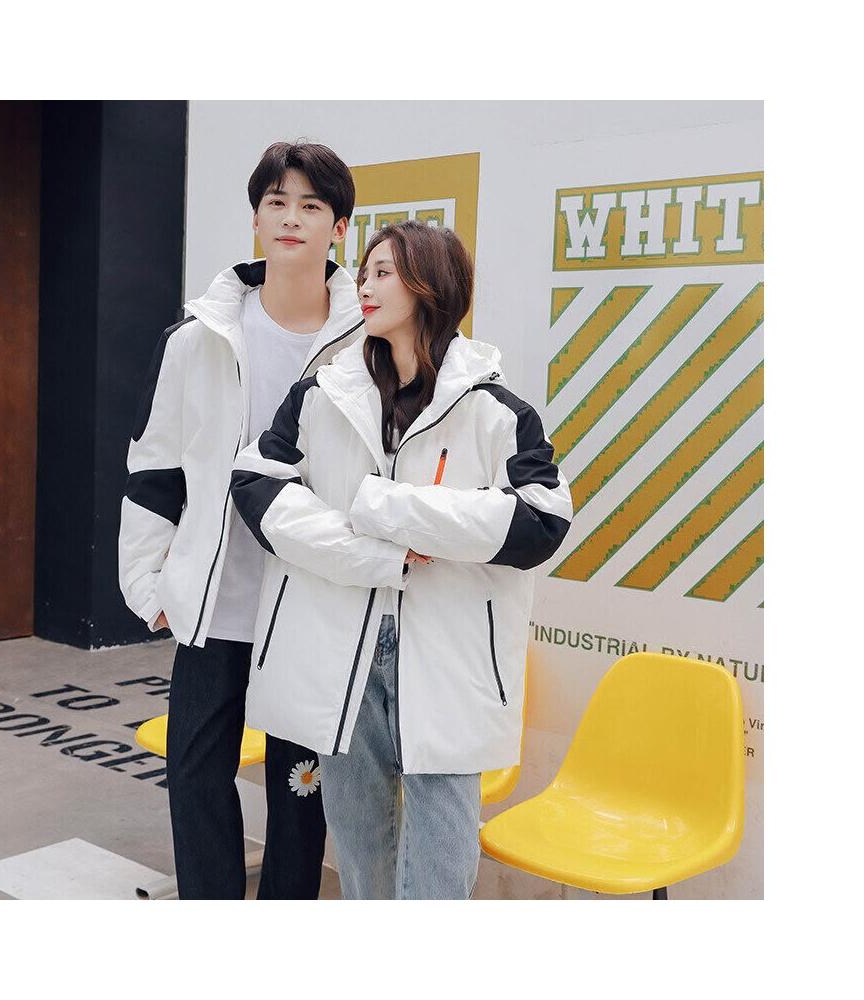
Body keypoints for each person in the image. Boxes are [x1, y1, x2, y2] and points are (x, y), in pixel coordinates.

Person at [230, 220, 573, 899]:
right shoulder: (322, 394)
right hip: (342, 652)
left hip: (450, 657)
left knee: (442, 859)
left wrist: (388, 506)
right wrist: (371, 553)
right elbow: (256, 486)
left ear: (429, 285)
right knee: (360, 849)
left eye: (384, 272)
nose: (364, 284)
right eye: (365, 271)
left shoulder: (495, 410)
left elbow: (541, 522)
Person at [118, 141, 365, 899]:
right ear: (256, 218)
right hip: (214, 599)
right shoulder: (198, 336)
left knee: (299, 789)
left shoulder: (366, 344)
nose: (291, 218)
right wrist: (149, 583)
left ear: (339, 228)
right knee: (196, 775)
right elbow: (156, 466)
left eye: (311, 205)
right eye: (276, 202)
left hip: (308, 602)